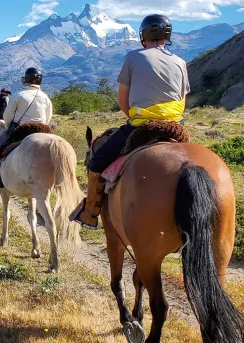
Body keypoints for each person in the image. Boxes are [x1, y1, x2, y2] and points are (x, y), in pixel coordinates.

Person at [70, 14, 191, 229]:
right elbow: (183, 99)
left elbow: (122, 99)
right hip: (175, 127)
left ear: (143, 35)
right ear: (167, 36)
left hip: (142, 125)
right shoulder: (181, 62)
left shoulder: (134, 57)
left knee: (97, 161)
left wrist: (134, 116)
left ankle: (91, 212)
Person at [0, 67, 54, 189]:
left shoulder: (18, 95)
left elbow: (8, 116)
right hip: (42, 130)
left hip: (20, 130)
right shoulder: (45, 97)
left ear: (26, 79)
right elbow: (48, 117)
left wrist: (8, 127)